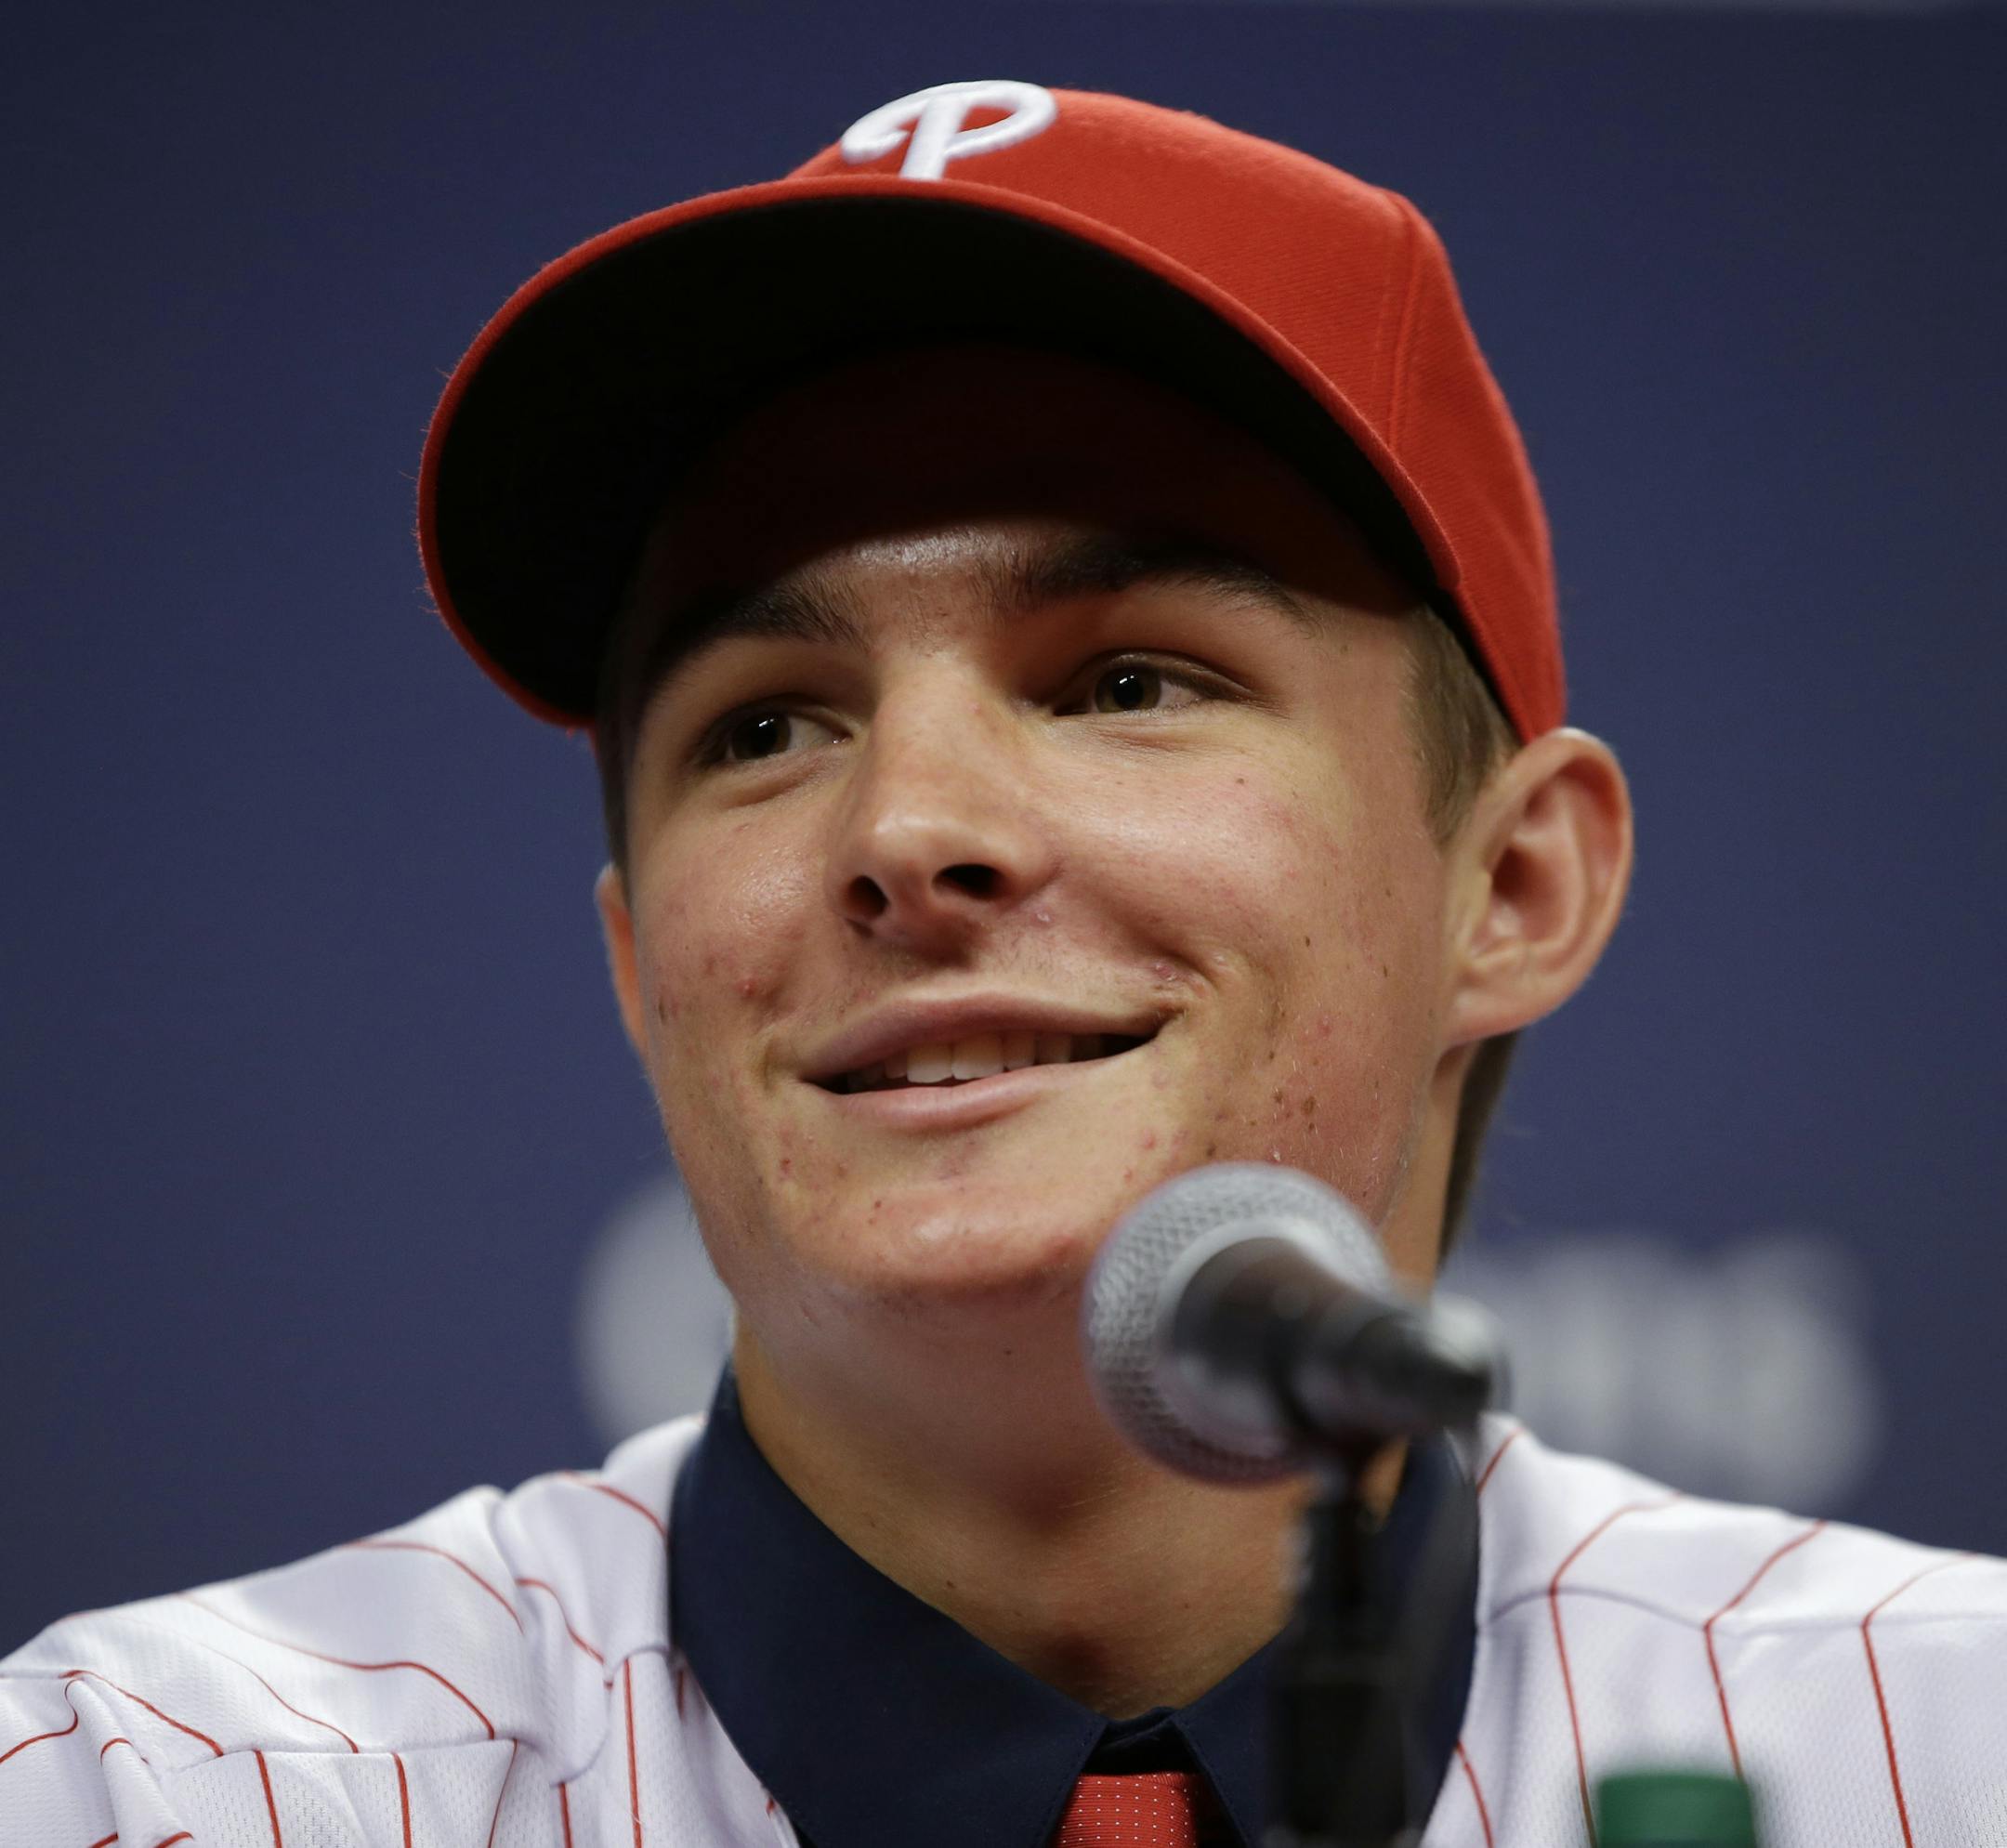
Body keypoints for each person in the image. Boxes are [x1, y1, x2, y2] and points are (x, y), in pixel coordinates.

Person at [3, 79, 2000, 1848]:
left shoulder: (1951, 1750)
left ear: (1516, 886)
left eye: (1128, 677)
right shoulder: (133, 1794)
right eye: (765, 724)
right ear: (639, 966)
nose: (902, 832)